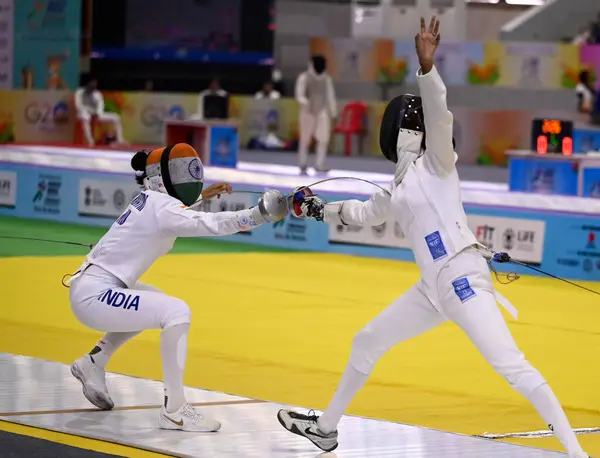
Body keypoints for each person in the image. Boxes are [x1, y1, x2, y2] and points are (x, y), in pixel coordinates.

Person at [277, 17, 589, 458]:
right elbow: (360, 212)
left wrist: (427, 68)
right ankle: (326, 429)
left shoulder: (439, 163)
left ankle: (577, 455)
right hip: (431, 290)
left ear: (407, 133)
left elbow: (439, 115)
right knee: (368, 340)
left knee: (512, 367)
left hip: (462, 280)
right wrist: (313, 208)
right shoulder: (399, 189)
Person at [68, 143, 287, 432]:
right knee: (176, 312)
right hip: (96, 296)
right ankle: (175, 410)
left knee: (154, 300)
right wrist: (257, 215)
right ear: (166, 177)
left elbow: (173, 213)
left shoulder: (150, 198)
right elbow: (210, 224)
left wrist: (202, 197)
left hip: (93, 288)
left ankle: (93, 362)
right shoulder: (163, 207)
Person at [295, 55, 337, 175]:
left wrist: (333, 113)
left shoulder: (326, 79)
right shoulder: (304, 77)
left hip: (322, 111)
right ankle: (302, 163)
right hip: (307, 111)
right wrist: (305, 102)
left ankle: (319, 164)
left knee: (323, 139)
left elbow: (330, 97)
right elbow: (300, 94)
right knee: (305, 139)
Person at [74, 75, 126, 146]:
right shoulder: (79, 92)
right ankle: (90, 141)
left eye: (95, 83)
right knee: (85, 117)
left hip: (96, 114)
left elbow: (100, 105)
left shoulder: (97, 94)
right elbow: (78, 105)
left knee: (116, 117)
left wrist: (97, 113)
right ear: (88, 83)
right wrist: (89, 111)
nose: (94, 84)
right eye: (92, 83)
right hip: (84, 113)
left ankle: (120, 139)